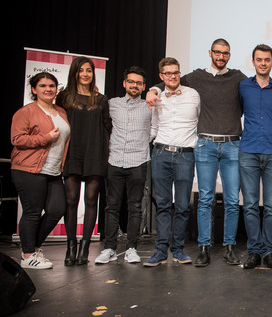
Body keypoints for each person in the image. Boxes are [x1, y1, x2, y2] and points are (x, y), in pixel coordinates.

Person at [146, 39, 272, 267]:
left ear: (230, 55)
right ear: (210, 53)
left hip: (233, 145)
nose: (221, 57)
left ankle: (229, 248)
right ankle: (204, 248)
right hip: (205, 145)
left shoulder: (239, 79)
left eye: (225, 53)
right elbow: (171, 81)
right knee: (205, 200)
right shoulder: (196, 77)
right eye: (217, 53)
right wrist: (153, 89)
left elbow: (261, 84)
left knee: (231, 200)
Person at [143, 58, 200, 266]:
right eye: (168, 73)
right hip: (161, 154)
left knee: (183, 206)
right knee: (163, 205)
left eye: (175, 72)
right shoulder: (156, 97)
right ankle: (160, 251)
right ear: (161, 77)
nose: (173, 76)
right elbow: (153, 127)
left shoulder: (193, 95)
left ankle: (178, 249)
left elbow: (201, 121)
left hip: (186, 155)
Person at [11, 72, 70, 269]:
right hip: (29, 169)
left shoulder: (61, 111)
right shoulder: (26, 112)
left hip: (53, 170)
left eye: (51, 86)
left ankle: (33, 247)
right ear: (34, 89)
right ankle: (28, 255)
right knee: (32, 212)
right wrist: (44, 138)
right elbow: (17, 140)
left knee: (57, 209)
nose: (48, 89)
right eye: (43, 86)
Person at [56, 56, 111, 266]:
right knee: (70, 201)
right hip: (72, 153)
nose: (85, 74)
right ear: (75, 73)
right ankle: (71, 247)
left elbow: (108, 127)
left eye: (89, 70)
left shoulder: (101, 99)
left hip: (95, 154)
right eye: (81, 70)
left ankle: (85, 248)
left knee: (91, 201)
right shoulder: (64, 98)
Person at [95, 66, 151, 264]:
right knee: (112, 207)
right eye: (131, 81)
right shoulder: (112, 104)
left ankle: (131, 248)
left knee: (135, 207)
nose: (134, 85)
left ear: (144, 87)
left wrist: (144, 140)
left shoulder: (149, 106)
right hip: (115, 160)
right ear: (124, 83)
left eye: (138, 83)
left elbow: (156, 128)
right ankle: (109, 248)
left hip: (138, 161)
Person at [239, 44, 272, 269]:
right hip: (247, 151)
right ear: (253, 61)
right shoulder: (242, 86)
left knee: (271, 206)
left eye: (267, 59)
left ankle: (269, 251)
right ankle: (254, 251)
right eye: (259, 59)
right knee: (249, 205)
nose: (263, 63)